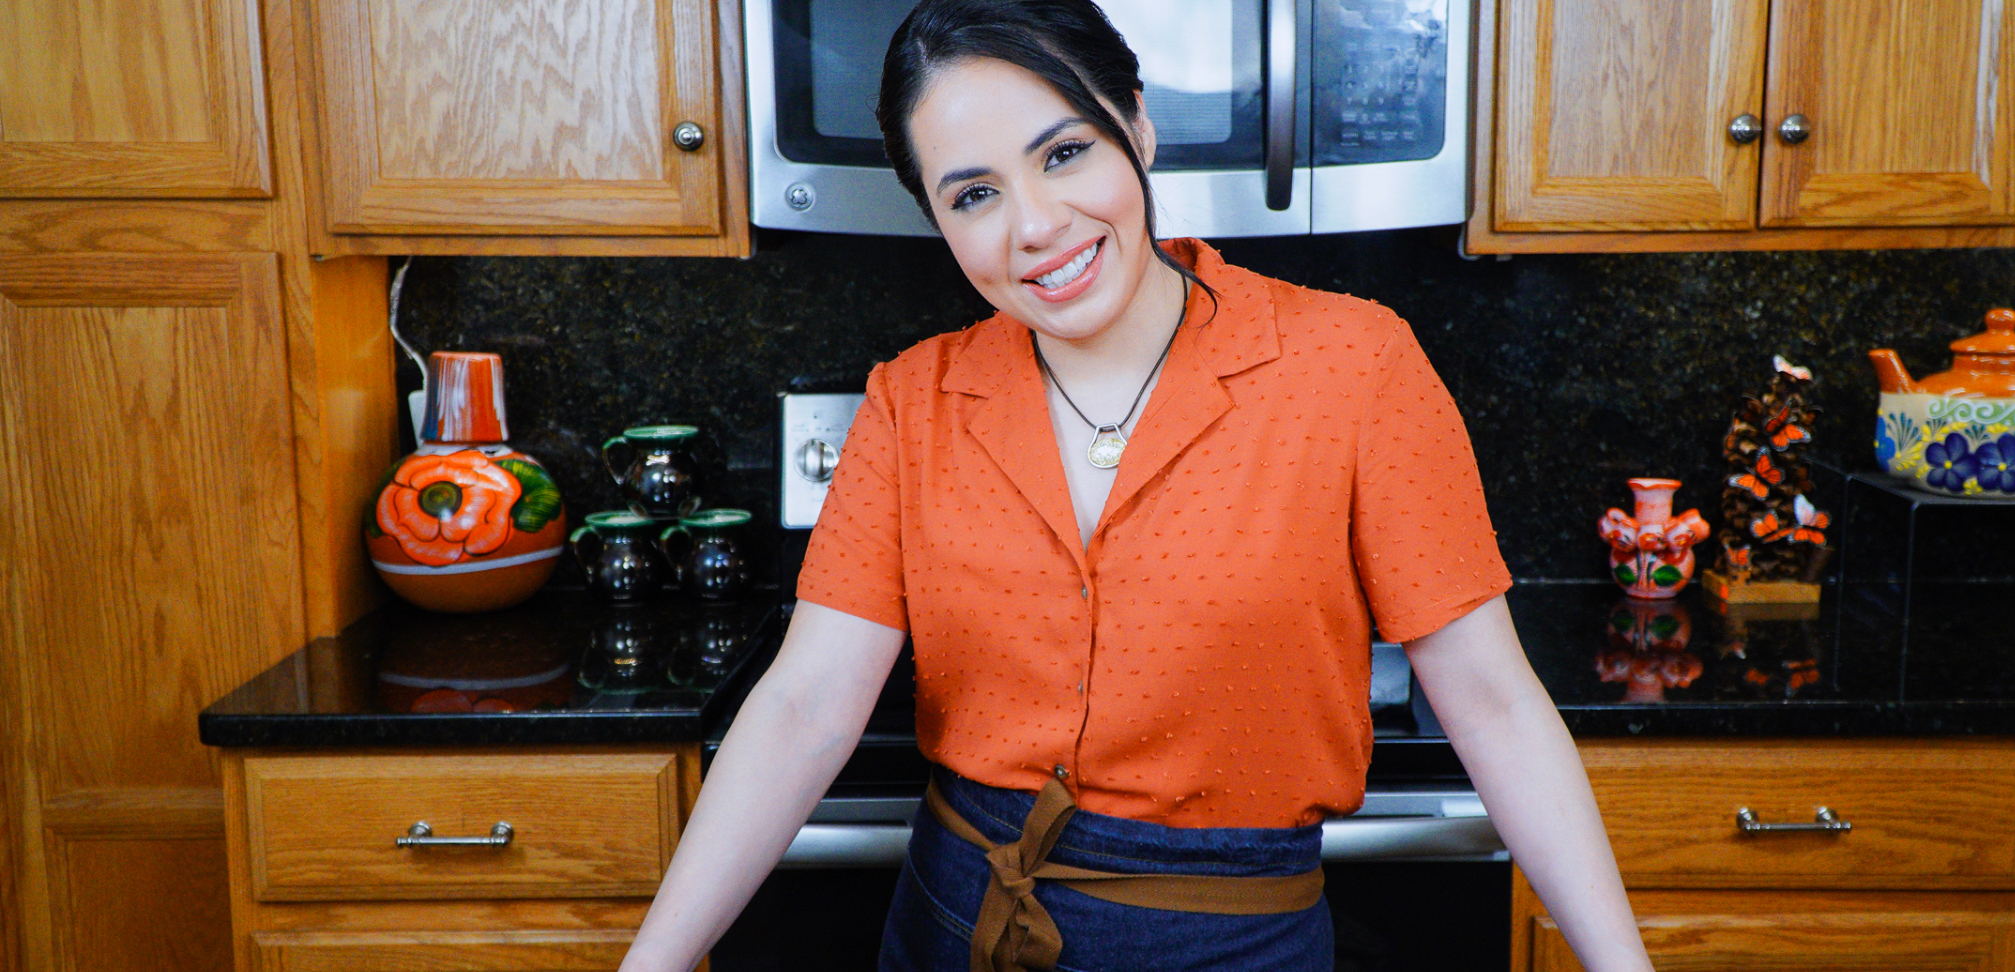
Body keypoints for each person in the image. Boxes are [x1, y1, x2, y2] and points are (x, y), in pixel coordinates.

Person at [619, 1, 1654, 969]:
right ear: (939, 219)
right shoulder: (911, 401)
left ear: (1137, 129)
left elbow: (1492, 706)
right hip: (955, 920)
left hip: (1234, 940)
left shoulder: (1352, 365)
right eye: (973, 194)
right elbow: (803, 705)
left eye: (1064, 152)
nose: (1034, 225)